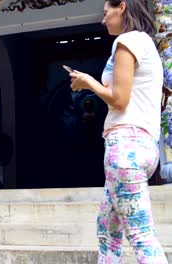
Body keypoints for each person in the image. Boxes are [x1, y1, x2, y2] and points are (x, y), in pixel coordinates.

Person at [69, 1, 168, 263]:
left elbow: (120, 100)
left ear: (121, 7)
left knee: (140, 235)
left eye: (106, 13)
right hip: (139, 146)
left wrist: (89, 82)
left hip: (127, 147)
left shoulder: (129, 40)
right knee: (107, 229)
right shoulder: (145, 44)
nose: (103, 20)